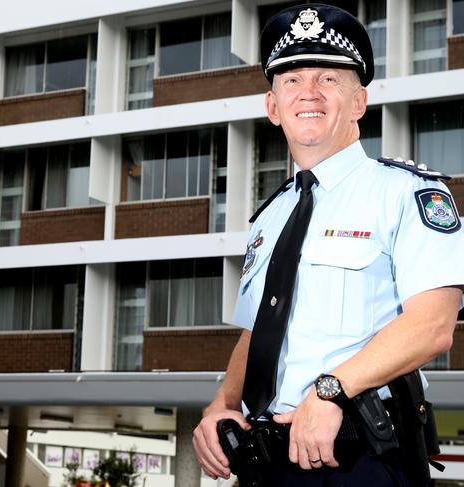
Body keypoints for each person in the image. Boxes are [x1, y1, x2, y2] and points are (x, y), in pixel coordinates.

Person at [192, 3, 464, 486]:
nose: (309, 93)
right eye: (292, 80)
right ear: (273, 107)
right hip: (270, 461)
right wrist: (221, 405)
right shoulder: (270, 217)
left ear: (358, 102)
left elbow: (433, 326)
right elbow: (257, 333)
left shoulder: (407, 193)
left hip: (363, 458)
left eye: (328, 79)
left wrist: (332, 391)